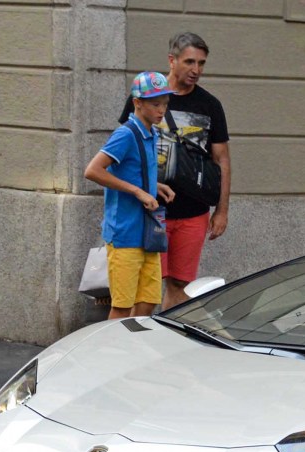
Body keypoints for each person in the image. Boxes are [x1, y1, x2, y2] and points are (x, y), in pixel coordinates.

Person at [118, 32, 230, 310]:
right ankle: (139, 345)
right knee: (147, 287)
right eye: (190, 61)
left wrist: (222, 210)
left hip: (194, 212)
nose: (196, 70)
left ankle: (168, 344)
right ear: (172, 60)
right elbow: (125, 150)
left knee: (179, 285)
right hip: (152, 211)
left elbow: (222, 159)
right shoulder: (146, 97)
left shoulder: (210, 105)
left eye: (201, 63)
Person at [85, 71, 176, 320]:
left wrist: (153, 186)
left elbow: (133, 170)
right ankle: (112, 355)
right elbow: (92, 171)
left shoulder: (152, 133)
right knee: (122, 306)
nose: (161, 110)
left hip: (148, 232)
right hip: (125, 233)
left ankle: (130, 352)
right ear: (138, 103)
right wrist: (137, 191)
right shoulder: (125, 134)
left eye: (165, 104)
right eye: (156, 104)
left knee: (148, 300)